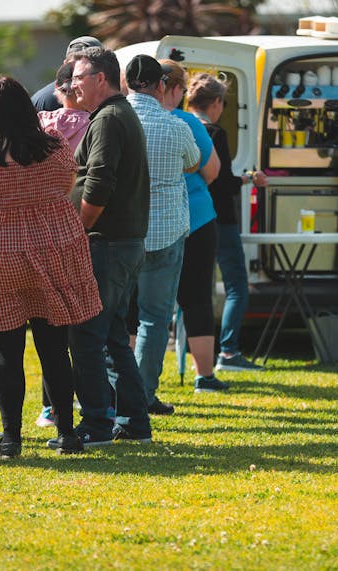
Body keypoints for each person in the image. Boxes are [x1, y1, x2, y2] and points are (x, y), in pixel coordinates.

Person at [0, 76, 102, 458]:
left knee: (7, 352)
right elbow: (68, 186)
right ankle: (68, 434)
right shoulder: (54, 150)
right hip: (53, 247)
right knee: (54, 349)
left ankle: (11, 439)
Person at [67, 46, 153, 446]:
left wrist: (77, 232)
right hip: (123, 242)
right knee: (115, 336)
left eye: (78, 77)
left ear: (100, 78)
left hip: (107, 243)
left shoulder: (108, 119)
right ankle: (136, 421)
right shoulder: (116, 115)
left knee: (87, 336)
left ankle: (97, 424)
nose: (72, 85)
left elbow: (99, 181)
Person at [125, 54, 200, 416]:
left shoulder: (111, 121)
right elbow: (194, 162)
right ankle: (143, 393)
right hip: (166, 230)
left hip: (122, 232)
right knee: (154, 318)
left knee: (114, 317)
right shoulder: (176, 126)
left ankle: (114, 391)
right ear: (160, 86)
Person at [185, 73, 267, 372]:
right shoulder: (214, 133)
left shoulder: (179, 125)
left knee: (195, 290)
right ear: (217, 102)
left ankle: (190, 354)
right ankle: (229, 352)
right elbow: (220, 183)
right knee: (236, 286)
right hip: (219, 217)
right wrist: (248, 179)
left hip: (189, 218)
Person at [162, 59, 228, 393]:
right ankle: (205, 374)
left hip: (153, 220)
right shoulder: (188, 122)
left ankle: (137, 378)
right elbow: (212, 169)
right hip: (196, 217)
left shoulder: (134, 118)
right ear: (177, 88)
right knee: (198, 296)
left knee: (146, 302)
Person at [33, 60, 92, 429]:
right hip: (75, 226)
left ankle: (48, 405)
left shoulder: (40, 127)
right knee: (77, 320)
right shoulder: (91, 126)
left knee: (47, 319)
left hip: (39, 228)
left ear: (57, 92)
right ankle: (83, 400)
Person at [31, 35, 103, 112]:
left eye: (88, 65)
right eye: (75, 63)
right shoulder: (45, 101)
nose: (80, 70)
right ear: (65, 64)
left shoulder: (109, 95)